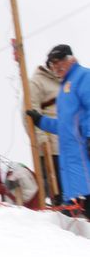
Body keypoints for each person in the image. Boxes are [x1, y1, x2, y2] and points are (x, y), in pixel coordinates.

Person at [26, 44, 90, 218]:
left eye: (60, 61)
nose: (56, 67)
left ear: (70, 59)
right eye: (53, 64)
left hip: (84, 153)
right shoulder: (64, 88)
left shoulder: (83, 76)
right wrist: (41, 121)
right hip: (71, 161)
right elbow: (64, 125)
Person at [27, 58, 62, 203]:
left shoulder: (63, 82)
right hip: (50, 145)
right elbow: (30, 113)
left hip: (66, 142)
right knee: (57, 189)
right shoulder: (37, 82)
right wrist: (41, 139)